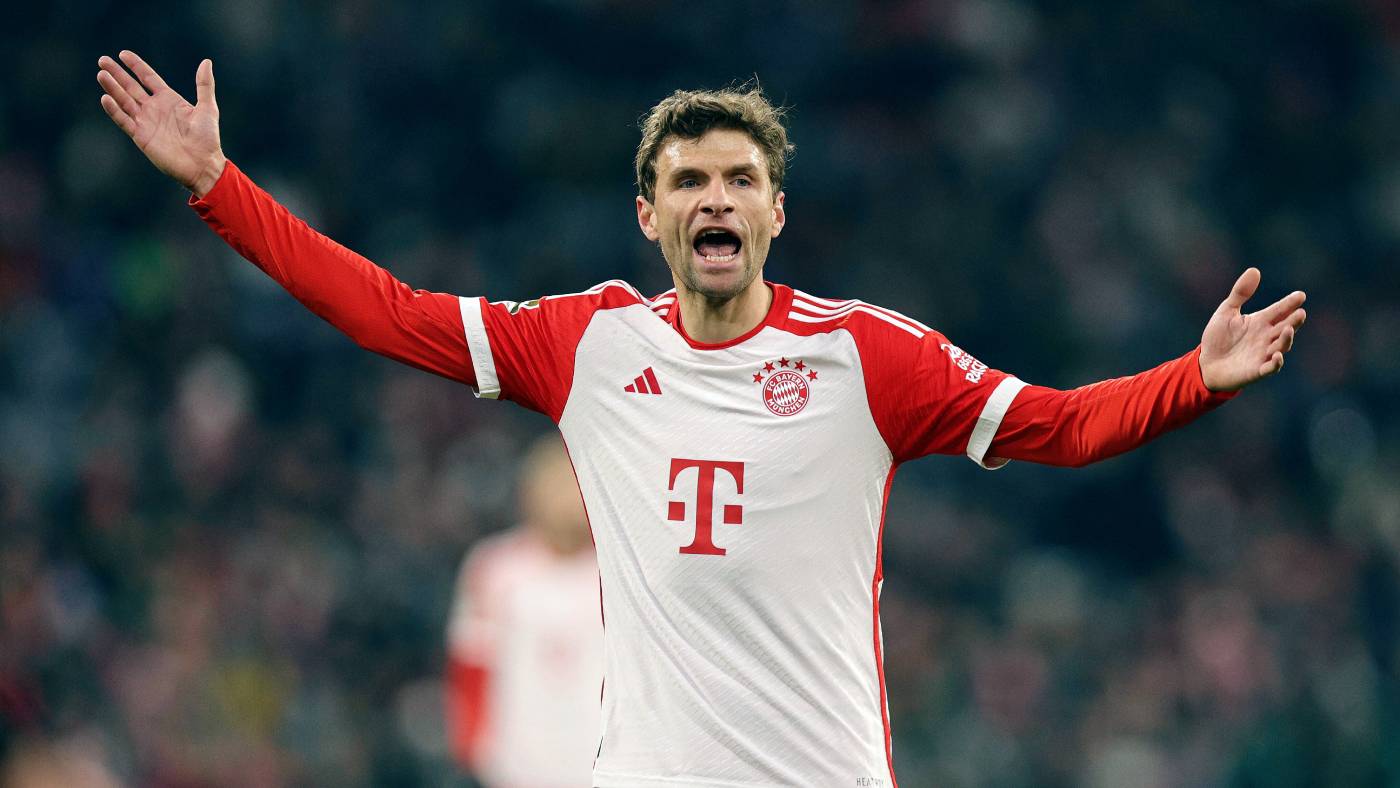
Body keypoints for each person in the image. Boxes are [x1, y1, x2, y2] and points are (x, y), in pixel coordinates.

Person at [96, 51, 1307, 786]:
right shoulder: (586, 342)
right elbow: (387, 312)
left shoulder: (866, 354)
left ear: (775, 211)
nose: (713, 197)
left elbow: (1060, 426)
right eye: (686, 180)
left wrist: (1191, 378)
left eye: (738, 179)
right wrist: (218, 187)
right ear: (648, 214)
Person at [445, 434, 602, 787]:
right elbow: (472, 659)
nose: (565, 501)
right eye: (555, 487)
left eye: (573, 486)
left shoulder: (616, 572)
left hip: (598, 765)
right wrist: (473, 748)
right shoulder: (496, 567)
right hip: (516, 764)